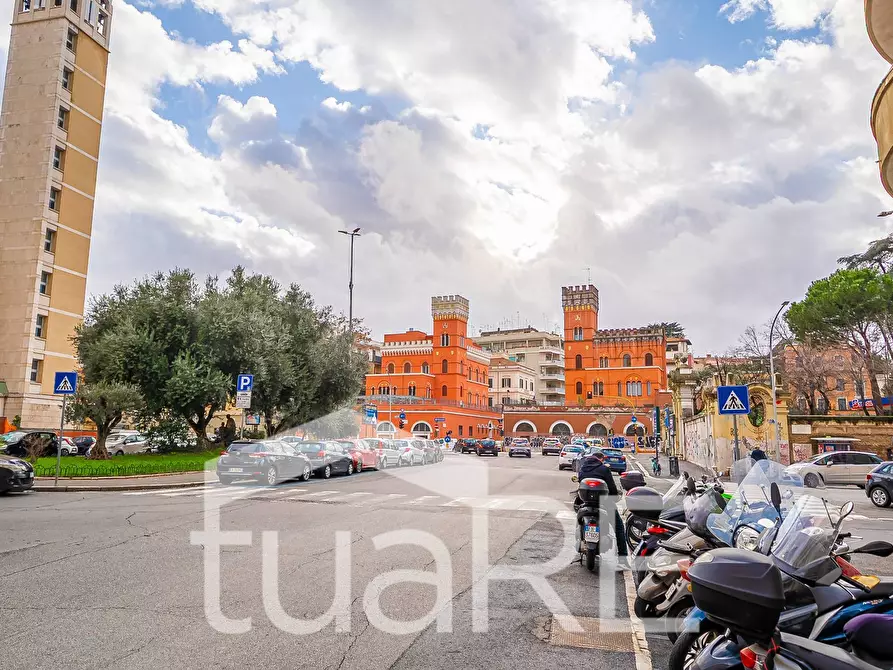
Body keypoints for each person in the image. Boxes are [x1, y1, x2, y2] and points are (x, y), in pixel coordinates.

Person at [575, 449, 628, 563]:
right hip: (604, 503)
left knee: (578, 520)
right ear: (601, 459)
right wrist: (614, 496)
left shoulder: (583, 468)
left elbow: (580, 484)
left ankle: (581, 539)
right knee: (619, 527)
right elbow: (612, 488)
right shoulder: (604, 469)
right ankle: (623, 558)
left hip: (587, 502)